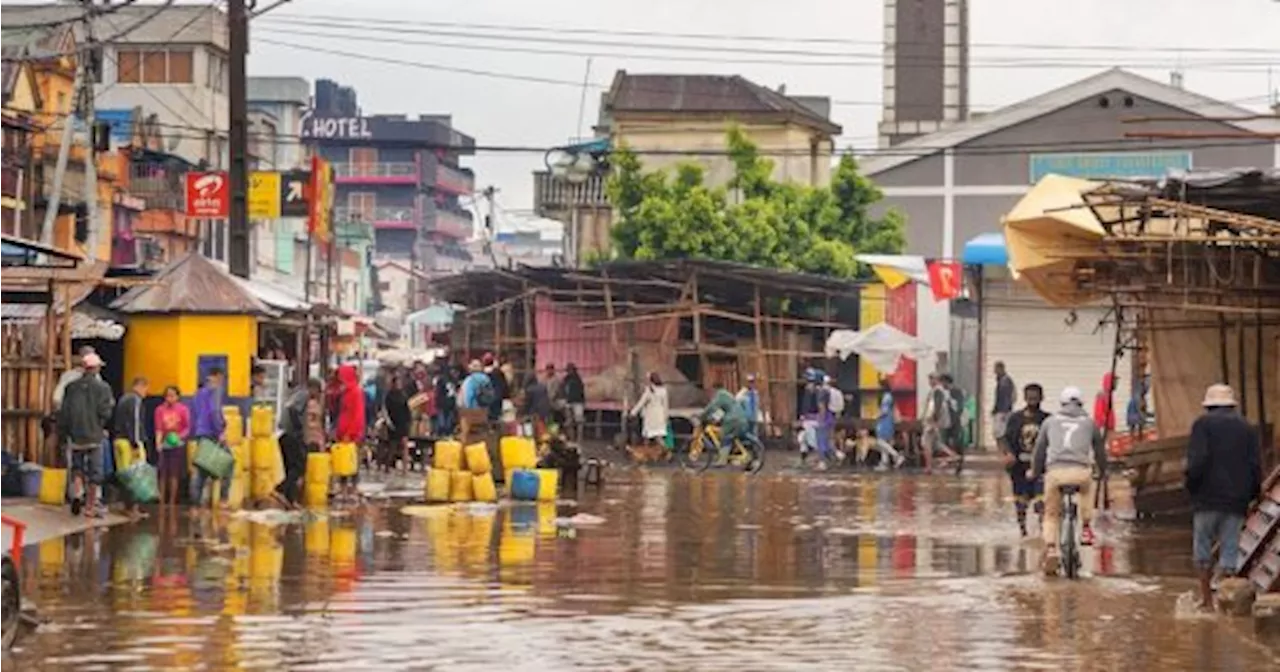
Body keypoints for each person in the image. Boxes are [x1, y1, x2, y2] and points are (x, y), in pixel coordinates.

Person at [1185, 384, 1262, 610]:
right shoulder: (1247, 428)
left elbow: (1197, 462)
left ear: (1209, 406)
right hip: (1236, 500)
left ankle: (1207, 601)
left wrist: (1191, 487)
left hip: (1206, 498)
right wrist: (1253, 495)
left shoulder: (1202, 425)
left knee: (1202, 550)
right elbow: (1255, 466)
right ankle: (1227, 603)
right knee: (1230, 550)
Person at [1030, 386, 1108, 575]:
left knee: (1051, 514)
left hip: (1056, 472)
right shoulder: (1090, 423)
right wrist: (1102, 471)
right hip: (1081, 471)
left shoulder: (1050, 421)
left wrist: (1035, 471)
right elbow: (1099, 452)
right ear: (1081, 403)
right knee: (1087, 489)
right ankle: (1087, 527)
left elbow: (1039, 450)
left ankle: (1050, 548)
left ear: (1062, 404)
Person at [58, 353, 114, 518]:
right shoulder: (103, 388)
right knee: (95, 472)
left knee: (77, 467)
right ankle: (89, 507)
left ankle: (77, 493)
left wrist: (64, 433)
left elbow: (64, 413)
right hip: (94, 436)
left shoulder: (71, 387)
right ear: (95, 368)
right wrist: (101, 426)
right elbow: (105, 412)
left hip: (75, 436)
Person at [1003, 383, 1050, 537]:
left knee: (1041, 502)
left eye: (1035, 397)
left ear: (1041, 398)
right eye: (1029, 397)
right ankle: (1023, 532)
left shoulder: (1047, 419)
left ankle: (1043, 534)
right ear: (1024, 398)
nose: (1032, 400)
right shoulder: (1015, 418)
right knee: (1021, 503)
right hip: (1019, 468)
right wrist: (1008, 453)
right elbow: (1006, 440)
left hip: (1040, 468)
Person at [190, 368, 231, 510]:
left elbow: (195, 412)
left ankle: (195, 504)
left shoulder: (198, 393)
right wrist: (220, 430)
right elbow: (215, 411)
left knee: (201, 468)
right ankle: (223, 500)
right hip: (212, 433)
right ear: (218, 377)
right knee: (228, 464)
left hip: (201, 432)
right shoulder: (216, 390)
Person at [111, 376, 150, 520]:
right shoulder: (135, 400)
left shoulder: (123, 399)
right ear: (139, 386)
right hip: (129, 442)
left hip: (118, 440)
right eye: (146, 388)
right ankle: (132, 507)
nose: (147, 392)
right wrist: (135, 442)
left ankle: (126, 505)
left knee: (124, 474)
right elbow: (134, 421)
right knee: (135, 475)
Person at [278, 379, 321, 507]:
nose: (317, 395)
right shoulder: (304, 394)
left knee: (291, 467)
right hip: (291, 435)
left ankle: (290, 498)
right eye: (318, 391)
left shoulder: (296, 393)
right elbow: (292, 409)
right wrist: (298, 430)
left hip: (284, 434)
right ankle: (280, 489)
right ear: (313, 388)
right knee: (300, 466)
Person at [332, 363, 366, 500]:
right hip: (343, 432)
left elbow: (357, 415)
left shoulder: (356, 392)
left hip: (351, 434)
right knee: (343, 461)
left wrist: (351, 433)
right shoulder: (346, 392)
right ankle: (344, 488)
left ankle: (352, 488)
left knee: (352, 461)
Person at [153, 386, 190, 508]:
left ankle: (172, 501)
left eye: (173, 396)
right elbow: (158, 427)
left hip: (177, 444)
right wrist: (158, 443)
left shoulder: (183, 409)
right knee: (162, 472)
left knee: (174, 473)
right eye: (168, 396)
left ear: (178, 397)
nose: (170, 398)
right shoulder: (159, 410)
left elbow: (187, 427)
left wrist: (179, 437)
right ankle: (162, 499)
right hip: (164, 443)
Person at [701, 380, 749, 466]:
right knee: (730, 436)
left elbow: (711, 407)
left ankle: (722, 460)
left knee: (724, 436)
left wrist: (703, 415)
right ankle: (730, 455)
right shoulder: (727, 394)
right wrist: (714, 418)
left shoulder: (720, 395)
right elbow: (722, 410)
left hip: (733, 419)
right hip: (741, 418)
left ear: (715, 389)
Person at [630, 372, 670, 461]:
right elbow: (666, 405)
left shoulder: (649, 391)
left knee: (647, 436)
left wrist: (633, 412)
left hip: (651, 416)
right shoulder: (663, 390)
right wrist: (666, 416)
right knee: (658, 437)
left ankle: (646, 455)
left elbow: (641, 402)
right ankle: (666, 452)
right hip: (660, 415)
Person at [872, 376, 905, 468]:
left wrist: (876, 416)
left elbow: (884, 411)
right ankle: (884, 462)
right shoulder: (890, 396)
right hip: (889, 421)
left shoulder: (886, 397)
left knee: (880, 441)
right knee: (886, 442)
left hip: (884, 421)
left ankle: (896, 456)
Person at [383, 373, 413, 472]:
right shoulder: (389, 396)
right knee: (393, 446)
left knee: (405, 445)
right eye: (397, 383)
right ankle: (387, 465)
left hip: (403, 422)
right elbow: (385, 410)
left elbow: (407, 408)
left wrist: (409, 420)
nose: (399, 385)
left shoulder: (403, 395)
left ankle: (405, 468)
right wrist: (389, 423)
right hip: (393, 422)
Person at [459, 360, 493, 444]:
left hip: (471, 411)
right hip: (484, 410)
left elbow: (467, 397)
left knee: (466, 434)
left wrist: (465, 410)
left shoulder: (470, 380)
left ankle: (465, 448)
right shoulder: (486, 378)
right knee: (482, 432)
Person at [942, 374, 967, 473]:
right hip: (946, 420)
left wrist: (956, 417)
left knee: (957, 441)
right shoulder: (943, 392)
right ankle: (952, 460)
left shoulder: (956, 392)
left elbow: (959, 406)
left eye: (943, 382)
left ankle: (959, 462)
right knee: (946, 442)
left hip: (955, 420)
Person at [522, 369, 554, 439]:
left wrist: (523, 412)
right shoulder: (542, 386)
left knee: (531, 426)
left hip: (535, 412)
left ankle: (532, 438)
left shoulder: (529, 389)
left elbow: (528, 403)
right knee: (545, 429)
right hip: (546, 410)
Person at [992, 361, 1016, 452]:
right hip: (1001, 410)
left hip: (1002, 411)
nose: (994, 371)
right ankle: (1003, 451)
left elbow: (1005, 397)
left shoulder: (1005, 381)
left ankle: (1003, 451)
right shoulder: (1002, 380)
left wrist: (1004, 411)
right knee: (998, 433)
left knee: (1000, 433)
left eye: (995, 369)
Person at [560, 363, 586, 443]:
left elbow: (581, 392)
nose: (569, 372)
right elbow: (563, 390)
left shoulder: (577, 380)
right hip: (569, 402)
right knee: (569, 421)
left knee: (579, 421)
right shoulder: (566, 379)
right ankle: (572, 438)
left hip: (578, 402)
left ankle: (579, 439)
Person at [736, 374, 767, 439]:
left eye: (752, 382)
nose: (751, 384)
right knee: (746, 434)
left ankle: (754, 447)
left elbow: (757, 405)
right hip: (745, 418)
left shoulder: (755, 393)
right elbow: (737, 404)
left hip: (754, 417)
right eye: (749, 382)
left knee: (754, 434)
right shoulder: (741, 394)